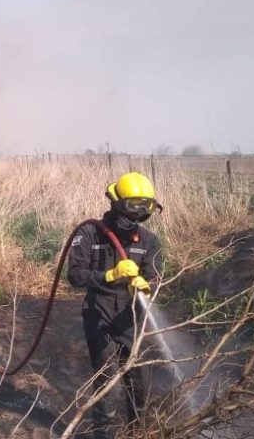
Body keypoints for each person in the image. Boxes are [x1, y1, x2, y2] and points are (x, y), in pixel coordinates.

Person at [67, 172, 162, 437]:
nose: (141, 212)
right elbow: (75, 275)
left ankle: (137, 432)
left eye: (146, 206)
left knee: (139, 383)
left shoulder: (149, 242)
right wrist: (108, 276)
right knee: (106, 383)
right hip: (99, 316)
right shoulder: (90, 233)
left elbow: (156, 277)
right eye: (135, 205)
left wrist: (147, 284)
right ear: (117, 202)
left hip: (132, 319)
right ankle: (104, 434)